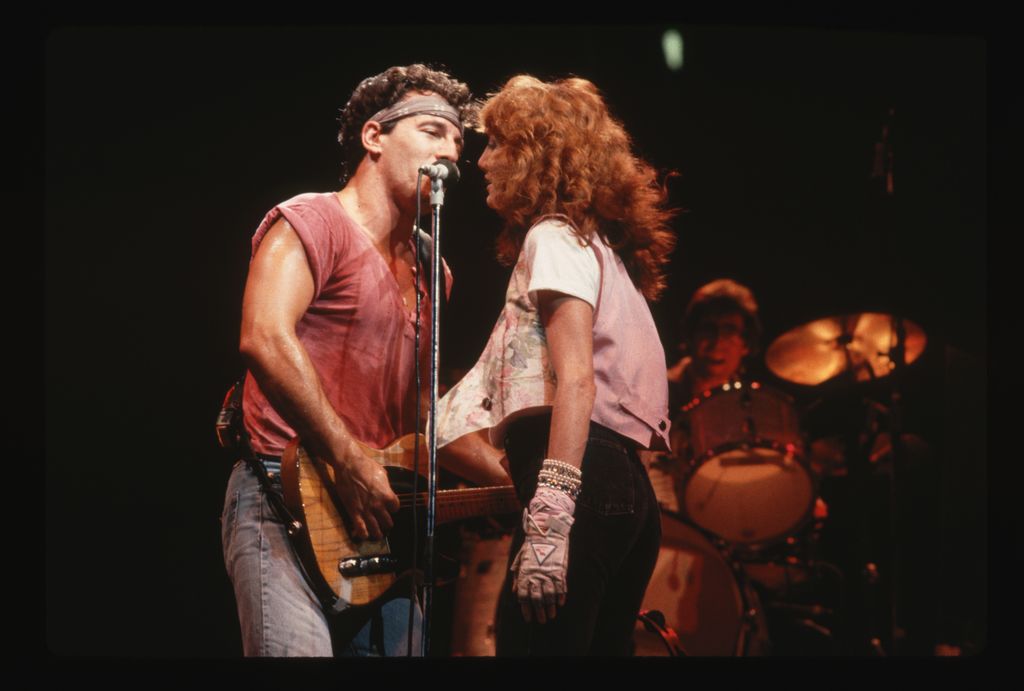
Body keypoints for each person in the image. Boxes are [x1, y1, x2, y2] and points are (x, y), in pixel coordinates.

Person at [220, 64, 507, 657]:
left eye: (458, 140)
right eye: (433, 131)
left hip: (381, 517)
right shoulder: (311, 219)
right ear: (374, 137)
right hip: (287, 494)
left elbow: (423, 407)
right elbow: (264, 337)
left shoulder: (435, 271)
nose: (451, 152)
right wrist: (349, 459)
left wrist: (512, 482)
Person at [435, 75, 676, 655]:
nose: (483, 160)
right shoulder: (599, 253)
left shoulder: (553, 238)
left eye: (497, 144)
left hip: (584, 482)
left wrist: (550, 514)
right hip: (626, 493)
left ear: (535, 156)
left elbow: (577, 380)